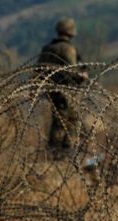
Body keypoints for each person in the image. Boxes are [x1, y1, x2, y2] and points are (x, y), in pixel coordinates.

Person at [37, 18, 85, 159]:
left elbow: (39, 70)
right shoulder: (68, 48)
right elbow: (72, 71)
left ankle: (55, 152)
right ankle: (62, 152)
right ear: (71, 32)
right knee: (69, 121)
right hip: (66, 90)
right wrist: (82, 76)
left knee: (58, 119)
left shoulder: (48, 48)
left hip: (51, 88)